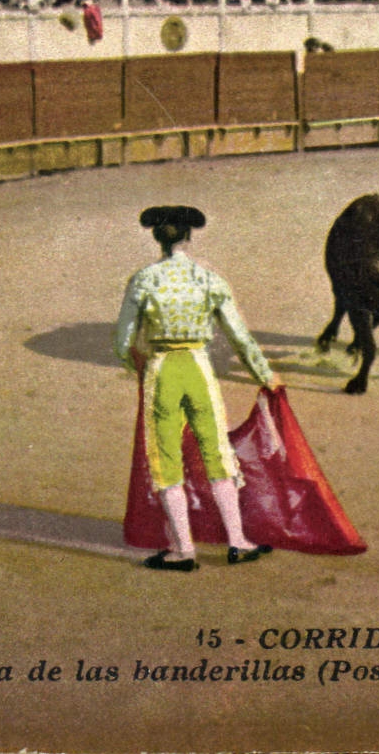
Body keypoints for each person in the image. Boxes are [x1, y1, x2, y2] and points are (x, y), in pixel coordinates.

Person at [113, 205, 285, 571]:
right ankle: (237, 542)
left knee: (166, 457)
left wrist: (139, 367)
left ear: (157, 237)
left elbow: (121, 340)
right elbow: (239, 334)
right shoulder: (208, 278)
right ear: (189, 236)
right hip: (198, 368)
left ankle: (182, 550)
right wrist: (265, 375)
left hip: (162, 370)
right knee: (217, 451)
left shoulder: (144, 279)